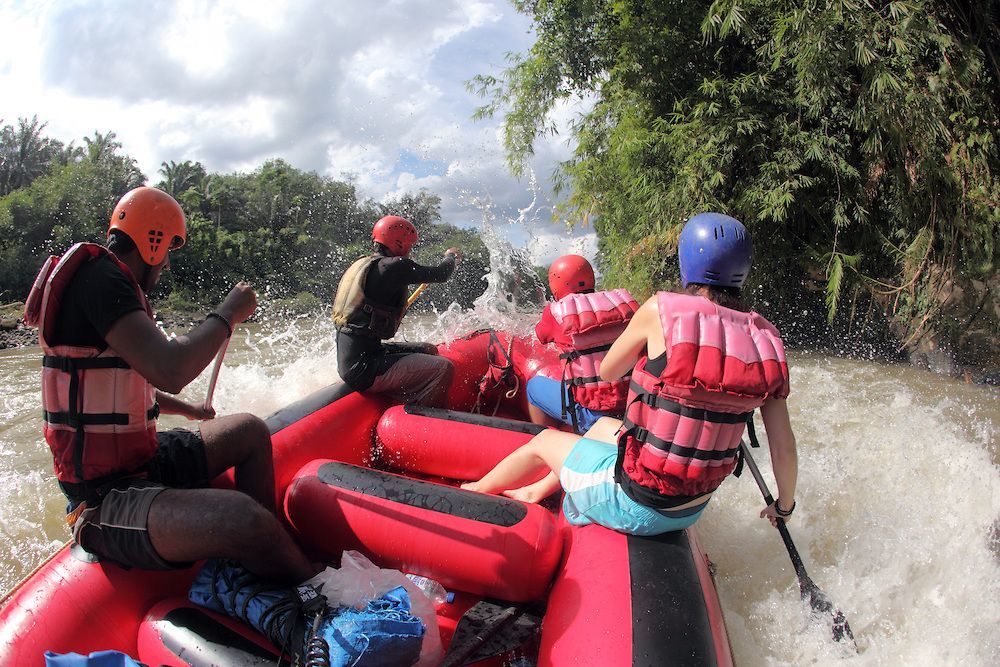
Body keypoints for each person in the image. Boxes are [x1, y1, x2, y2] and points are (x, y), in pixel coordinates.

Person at [23, 186, 317, 583]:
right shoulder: (102, 278)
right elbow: (171, 370)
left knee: (248, 430)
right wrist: (228, 313)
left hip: (141, 464)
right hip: (104, 498)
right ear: (153, 244)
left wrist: (191, 412)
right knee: (241, 516)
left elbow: (122, 389)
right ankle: (308, 587)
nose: (163, 268)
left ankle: (265, 555)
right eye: (168, 253)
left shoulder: (105, 282)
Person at [463, 213, 798, 533]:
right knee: (606, 427)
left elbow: (610, 371)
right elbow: (783, 449)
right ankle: (534, 491)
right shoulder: (765, 337)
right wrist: (783, 507)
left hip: (639, 502)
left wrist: (647, 351)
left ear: (687, 263)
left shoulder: (661, 310)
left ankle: (474, 491)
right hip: (694, 507)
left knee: (545, 441)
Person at [332, 215, 460, 407]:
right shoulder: (395, 266)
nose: (410, 250)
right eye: (409, 245)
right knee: (444, 368)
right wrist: (451, 256)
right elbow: (441, 274)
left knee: (429, 350)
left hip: (362, 356)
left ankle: (406, 397)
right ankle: (423, 416)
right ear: (398, 243)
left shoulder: (367, 265)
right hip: (364, 369)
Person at [527, 255, 638, 432]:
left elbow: (541, 336)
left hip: (592, 413)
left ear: (555, 285)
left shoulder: (555, 311)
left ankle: (542, 437)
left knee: (532, 387)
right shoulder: (622, 302)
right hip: (633, 406)